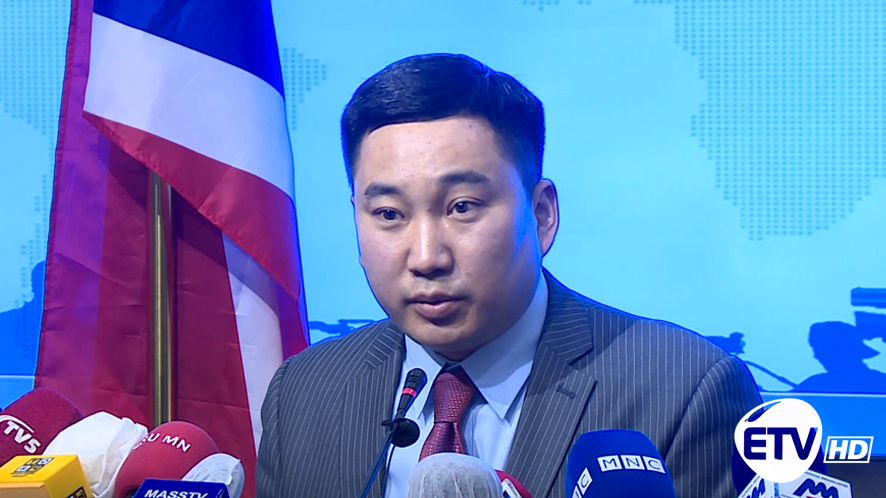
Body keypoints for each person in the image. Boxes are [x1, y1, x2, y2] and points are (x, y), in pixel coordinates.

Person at [256, 53, 761, 498]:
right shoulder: (303, 392)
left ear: (541, 215)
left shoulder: (686, 390)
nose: (426, 257)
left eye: (461, 207)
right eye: (389, 214)